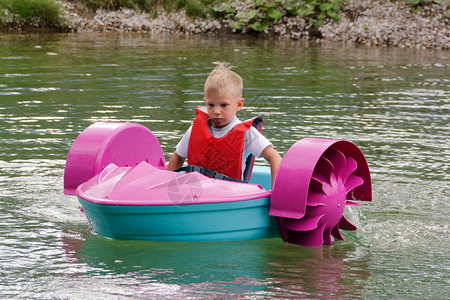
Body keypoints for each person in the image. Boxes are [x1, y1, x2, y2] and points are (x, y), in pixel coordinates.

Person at [167, 63, 281, 186]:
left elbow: (274, 157)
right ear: (205, 101)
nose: (216, 111)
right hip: (196, 195)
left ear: (239, 105)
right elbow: (178, 157)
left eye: (223, 105)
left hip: (230, 198)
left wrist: (276, 191)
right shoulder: (195, 129)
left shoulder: (247, 133)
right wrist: (166, 184)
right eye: (211, 105)